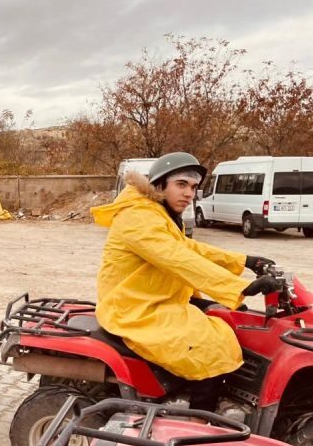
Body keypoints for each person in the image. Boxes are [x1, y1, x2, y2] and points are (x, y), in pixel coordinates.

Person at [90, 151, 280, 388]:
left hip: (154, 298)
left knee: (226, 316)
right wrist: (240, 286)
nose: (189, 194)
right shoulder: (137, 216)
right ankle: (199, 414)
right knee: (211, 348)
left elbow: (189, 248)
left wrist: (246, 260)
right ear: (160, 184)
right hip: (134, 307)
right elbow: (175, 258)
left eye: (193, 187)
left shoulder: (157, 212)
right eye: (181, 185)